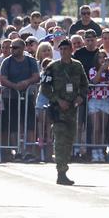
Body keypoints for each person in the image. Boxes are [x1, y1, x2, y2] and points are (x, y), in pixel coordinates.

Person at [41, 38, 87, 186]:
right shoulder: (53, 67)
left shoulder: (77, 66)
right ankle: (61, 171)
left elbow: (85, 85)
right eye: (61, 49)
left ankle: (64, 169)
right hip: (58, 109)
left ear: (71, 50)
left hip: (72, 110)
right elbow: (45, 87)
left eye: (66, 49)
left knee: (69, 140)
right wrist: (58, 100)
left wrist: (80, 97)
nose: (63, 52)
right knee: (60, 140)